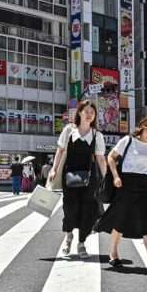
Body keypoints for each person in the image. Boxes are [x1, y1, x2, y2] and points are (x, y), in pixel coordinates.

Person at [95, 115, 147, 274]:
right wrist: (115, 176)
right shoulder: (127, 141)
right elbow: (111, 158)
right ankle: (113, 253)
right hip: (125, 184)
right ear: (143, 126)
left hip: (144, 185)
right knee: (119, 222)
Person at [48, 100, 107, 258]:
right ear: (79, 112)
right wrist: (53, 170)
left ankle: (81, 243)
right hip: (70, 176)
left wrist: (106, 178)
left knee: (88, 210)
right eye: (86, 111)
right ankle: (69, 236)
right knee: (70, 209)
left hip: (89, 178)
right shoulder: (69, 130)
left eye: (92, 112)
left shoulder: (97, 135)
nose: (89, 115)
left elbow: (101, 159)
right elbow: (60, 152)